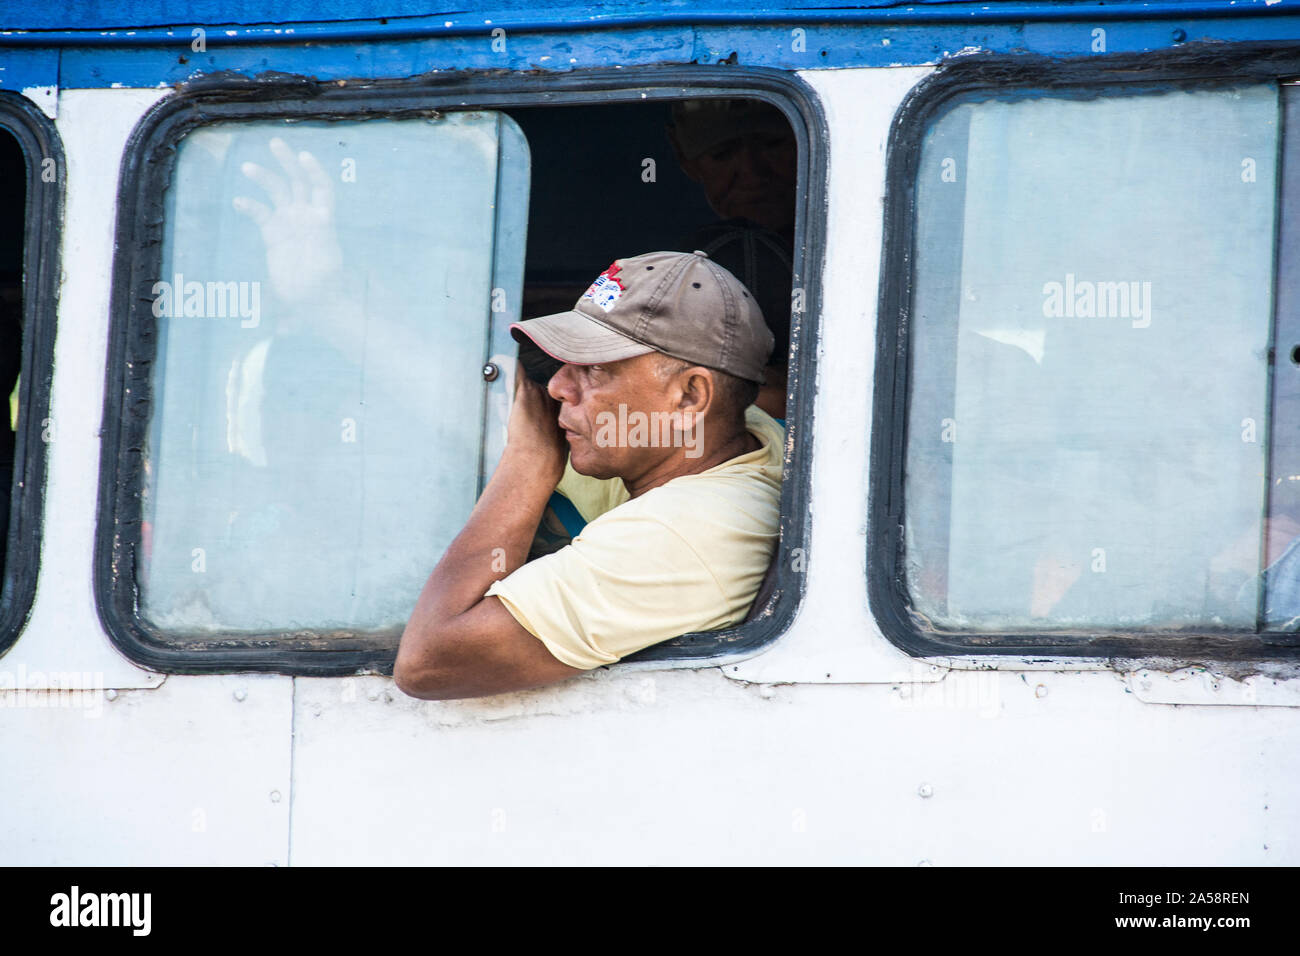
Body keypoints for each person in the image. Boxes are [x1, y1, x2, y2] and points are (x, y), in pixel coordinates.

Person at [395, 250, 784, 700]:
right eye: (566, 362)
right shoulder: (742, 431)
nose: (558, 387)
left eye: (596, 368)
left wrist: (527, 466)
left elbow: (430, 663)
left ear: (690, 397)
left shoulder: (680, 537)